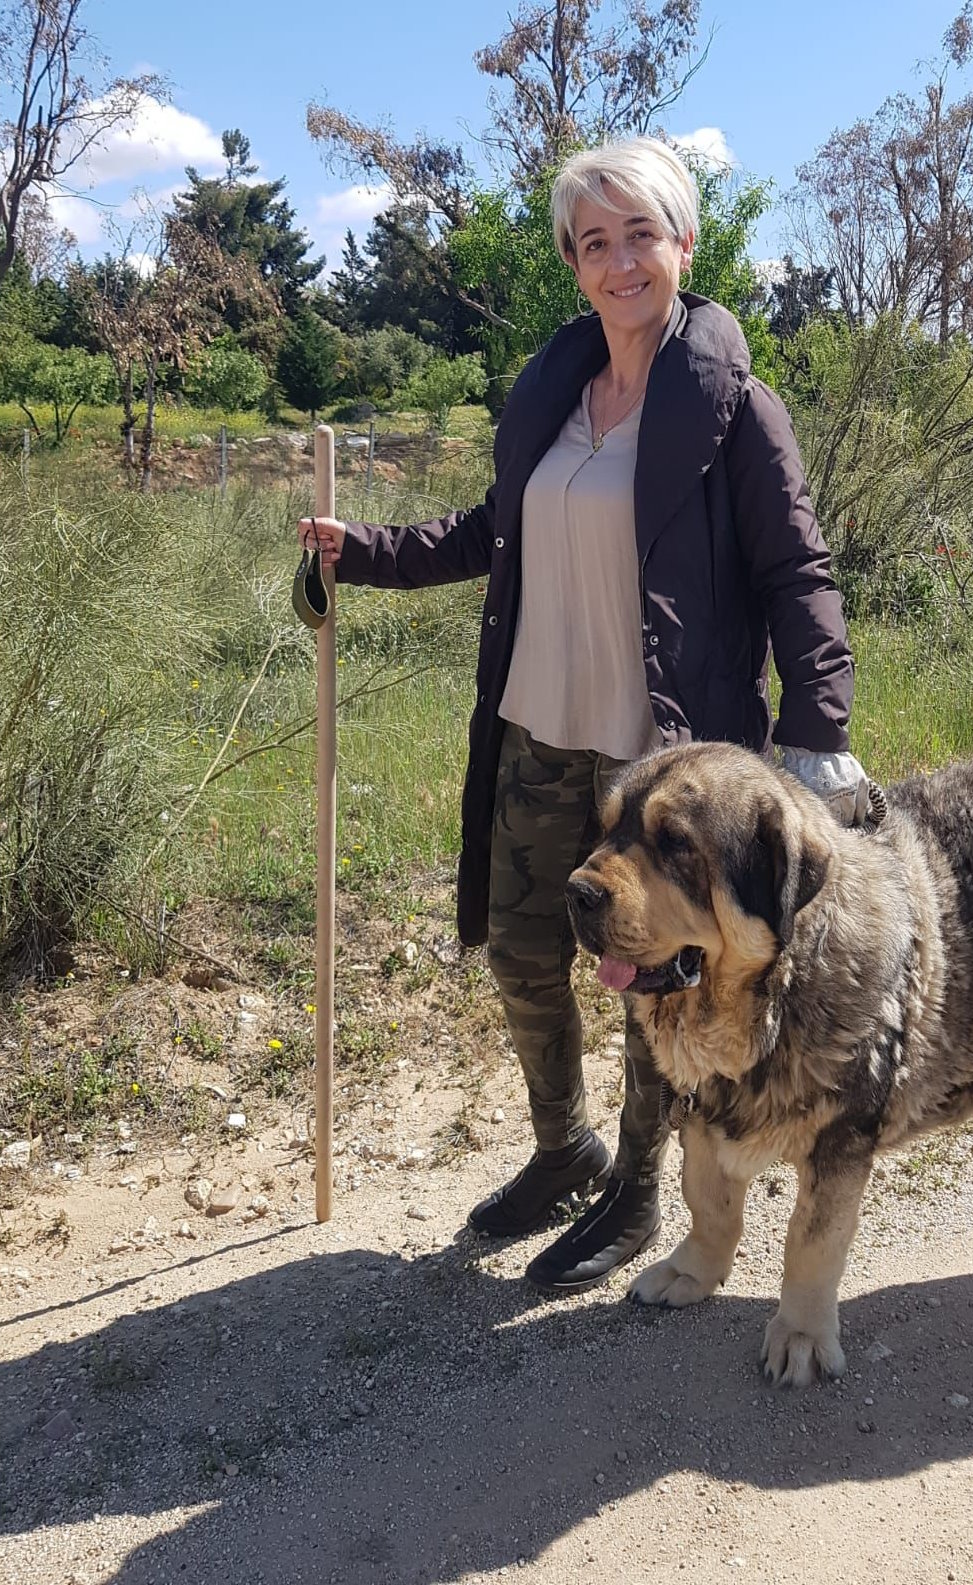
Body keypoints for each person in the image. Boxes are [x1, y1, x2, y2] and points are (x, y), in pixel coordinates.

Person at [298, 136, 868, 1296]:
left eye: (639, 235)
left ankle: (639, 1191)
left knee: (650, 981)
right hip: (535, 727)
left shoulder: (732, 408)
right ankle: (565, 1152)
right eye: (594, 243)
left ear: (683, 245)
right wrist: (361, 552)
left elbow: (796, 573)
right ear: (573, 262)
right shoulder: (556, 395)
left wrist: (818, 721)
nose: (619, 263)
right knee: (520, 952)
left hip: (658, 756)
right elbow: (491, 530)